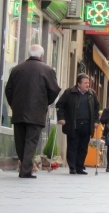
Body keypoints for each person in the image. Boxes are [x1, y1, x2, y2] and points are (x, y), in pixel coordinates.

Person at [5, 45, 61, 178]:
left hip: (19, 111)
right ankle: (25, 171)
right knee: (31, 142)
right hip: (36, 112)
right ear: (41, 56)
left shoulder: (16, 69)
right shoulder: (47, 70)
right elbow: (54, 91)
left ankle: (24, 167)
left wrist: (14, 104)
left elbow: (8, 90)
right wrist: (45, 103)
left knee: (20, 141)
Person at [56, 73, 100, 175]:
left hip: (87, 125)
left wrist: (96, 121)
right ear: (79, 84)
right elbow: (60, 105)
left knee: (83, 147)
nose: (88, 85)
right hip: (73, 124)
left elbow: (97, 108)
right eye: (85, 83)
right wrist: (61, 118)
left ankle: (80, 167)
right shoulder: (69, 92)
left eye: (88, 83)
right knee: (73, 146)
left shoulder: (92, 94)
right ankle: (72, 167)